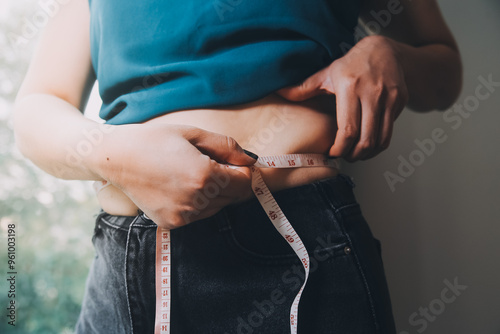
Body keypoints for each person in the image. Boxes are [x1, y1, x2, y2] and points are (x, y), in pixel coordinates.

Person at [13, 0, 462, 333]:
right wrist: (113, 153)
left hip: (300, 234)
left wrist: (392, 54)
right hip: (131, 259)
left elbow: (445, 71)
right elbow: (36, 110)